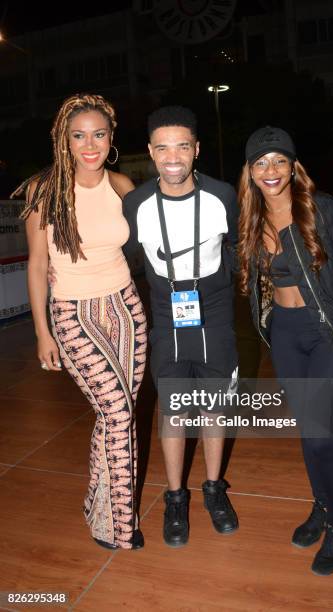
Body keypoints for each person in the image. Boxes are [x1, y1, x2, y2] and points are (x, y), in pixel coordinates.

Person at [238, 126, 333, 575]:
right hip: (284, 334)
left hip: (329, 334)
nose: (270, 170)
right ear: (250, 172)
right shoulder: (248, 220)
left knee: (323, 435)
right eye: (260, 163)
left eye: (279, 160)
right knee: (308, 433)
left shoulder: (324, 210)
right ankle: (323, 504)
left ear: (293, 166)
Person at [12, 93, 147, 550]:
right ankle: (117, 527)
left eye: (99, 134)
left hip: (126, 309)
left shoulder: (124, 185)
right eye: (78, 135)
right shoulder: (43, 191)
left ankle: (100, 504)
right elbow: (36, 265)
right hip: (72, 313)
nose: (89, 144)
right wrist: (41, 332)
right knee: (117, 412)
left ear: (111, 138)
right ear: (63, 140)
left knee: (117, 417)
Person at [122, 106, 239, 547]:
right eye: (163, 147)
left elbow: (237, 247)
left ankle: (213, 489)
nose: (173, 156)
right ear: (151, 152)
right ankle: (175, 497)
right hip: (166, 307)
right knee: (172, 408)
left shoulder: (222, 195)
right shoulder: (135, 204)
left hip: (214, 307)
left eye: (183, 146)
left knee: (213, 405)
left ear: (196, 150)